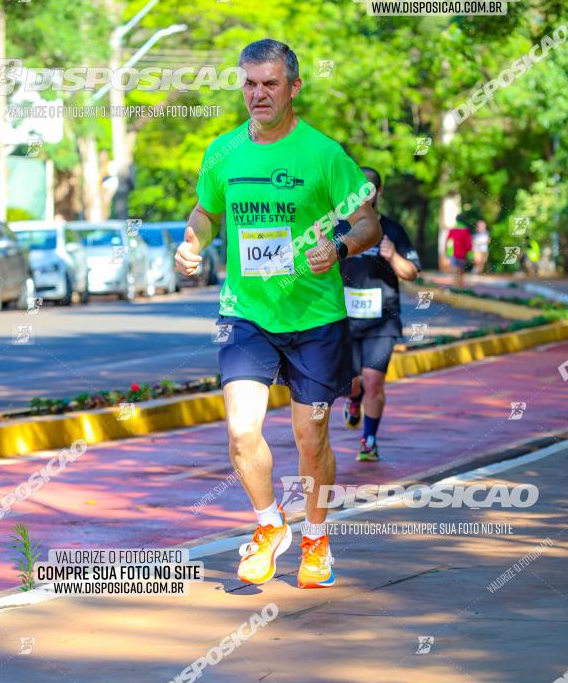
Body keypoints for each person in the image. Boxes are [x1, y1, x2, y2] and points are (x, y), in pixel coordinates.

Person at [175, 39, 381, 589]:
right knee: (242, 433)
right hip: (246, 313)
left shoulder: (324, 154)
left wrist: (339, 248)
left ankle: (316, 537)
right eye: (249, 83)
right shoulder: (222, 153)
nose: (258, 94)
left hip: (315, 316)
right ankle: (271, 524)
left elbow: (368, 224)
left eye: (270, 83)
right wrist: (192, 242)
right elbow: (205, 211)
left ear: (293, 87)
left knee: (309, 437)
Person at [338, 168, 421, 461]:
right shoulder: (337, 228)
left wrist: (393, 255)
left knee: (373, 379)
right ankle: (353, 398)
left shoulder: (393, 231)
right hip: (343, 319)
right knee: (352, 380)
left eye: (370, 189)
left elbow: (411, 273)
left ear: (379, 193)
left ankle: (369, 441)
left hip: (382, 320)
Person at [446, 217, 473, 288]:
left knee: (455, 271)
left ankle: (455, 286)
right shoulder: (465, 231)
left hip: (453, 254)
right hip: (462, 255)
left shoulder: (452, 230)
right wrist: (470, 256)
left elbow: (449, 243)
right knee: (461, 272)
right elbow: (468, 245)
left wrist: (448, 254)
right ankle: (460, 287)